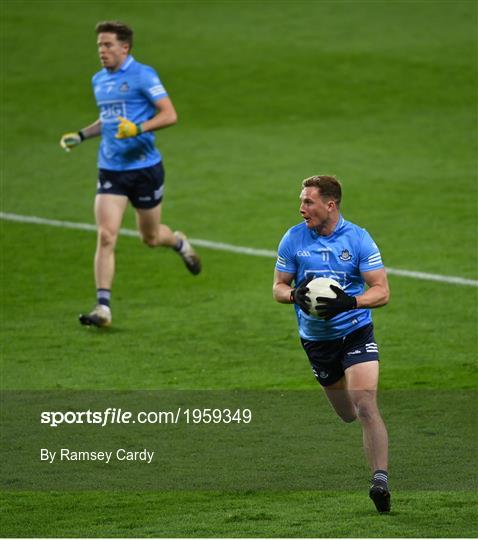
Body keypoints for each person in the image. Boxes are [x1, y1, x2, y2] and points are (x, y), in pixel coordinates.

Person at [60, 21, 201, 328]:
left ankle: (177, 242)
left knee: (150, 238)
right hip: (111, 169)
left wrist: (138, 128)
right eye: (99, 45)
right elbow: (107, 119)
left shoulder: (143, 75)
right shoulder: (99, 80)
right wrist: (82, 135)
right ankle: (103, 307)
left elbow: (169, 114)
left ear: (125, 47)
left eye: (108, 45)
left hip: (145, 169)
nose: (102, 50)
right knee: (106, 234)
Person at [273, 175, 391, 513]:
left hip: (355, 331)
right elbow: (278, 287)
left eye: (308, 202)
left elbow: (381, 291)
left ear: (330, 205)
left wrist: (350, 303)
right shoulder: (293, 240)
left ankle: (379, 480)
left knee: (366, 404)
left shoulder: (358, 239)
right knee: (348, 414)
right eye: (301, 201)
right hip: (317, 341)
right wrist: (295, 294)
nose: (301, 208)